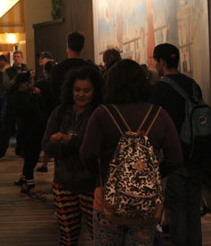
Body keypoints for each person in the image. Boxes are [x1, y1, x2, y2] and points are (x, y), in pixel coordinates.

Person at [80, 59, 183, 245]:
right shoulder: (159, 115)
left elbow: (87, 153)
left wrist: (103, 175)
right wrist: (151, 174)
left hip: (106, 200)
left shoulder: (102, 114)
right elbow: (176, 159)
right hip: (147, 203)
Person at [150, 43, 204, 246]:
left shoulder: (159, 89)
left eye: (156, 61)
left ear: (162, 62)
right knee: (193, 209)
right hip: (196, 155)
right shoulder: (193, 85)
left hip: (173, 157)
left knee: (177, 211)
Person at [42, 66, 103, 245]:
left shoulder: (99, 113)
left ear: (95, 91)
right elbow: (46, 145)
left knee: (98, 235)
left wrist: (68, 140)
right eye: (77, 90)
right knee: (67, 237)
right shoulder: (60, 112)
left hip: (92, 184)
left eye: (86, 90)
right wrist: (72, 144)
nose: (81, 94)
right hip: (63, 183)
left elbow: (97, 147)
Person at [9, 72, 46, 200]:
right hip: (28, 132)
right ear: (22, 83)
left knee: (31, 159)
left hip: (34, 131)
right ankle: (31, 187)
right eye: (29, 82)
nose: (31, 85)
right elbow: (30, 111)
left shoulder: (26, 95)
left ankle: (25, 186)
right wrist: (36, 97)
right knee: (30, 159)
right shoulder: (18, 97)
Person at [51, 31, 88, 97]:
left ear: (68, 46)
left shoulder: (57, 69)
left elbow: (54, 94)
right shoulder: (90, 68)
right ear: (82, 47)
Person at [35, 59, 56, 172]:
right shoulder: (59, 85)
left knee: (44, 138)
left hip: (42, 115)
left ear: (45, 71)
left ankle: (43, 163)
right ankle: (46, 163)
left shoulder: (41, 84)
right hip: (56, 114)